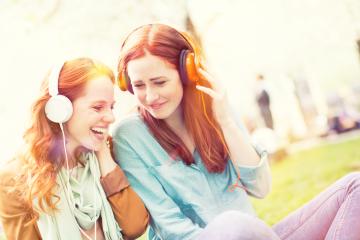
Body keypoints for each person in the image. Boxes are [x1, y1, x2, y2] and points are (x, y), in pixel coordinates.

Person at [113, 23, 360, 240]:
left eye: (159, 82)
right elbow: (171, 227)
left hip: (251, 235)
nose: (150, 96)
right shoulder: (129, 136)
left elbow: (260, 187)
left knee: (355, 186)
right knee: (231, 223)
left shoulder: (217, 107)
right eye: (138, 85)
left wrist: (224, 120)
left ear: (186, 73)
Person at [0, 58, 148, 240]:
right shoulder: (15, 179)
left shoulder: (108, 153)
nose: (110, 117)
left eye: (111, 107)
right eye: (97, 107)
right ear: (60, 109)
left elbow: (135, 226)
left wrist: (102, 152)